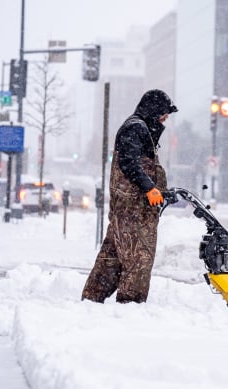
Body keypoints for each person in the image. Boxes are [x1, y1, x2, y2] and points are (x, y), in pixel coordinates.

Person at [82, 89, 178, 304]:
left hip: (130, 210)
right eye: (164, 112)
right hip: (132, 212)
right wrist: (149, 188)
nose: (166, 117)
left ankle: (92, 299)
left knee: (112, 259)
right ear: (153, 109)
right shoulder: (135, 127)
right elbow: (129, 162)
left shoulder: (139, 128)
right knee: (139, 258)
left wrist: (159, 190)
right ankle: (130, 306)